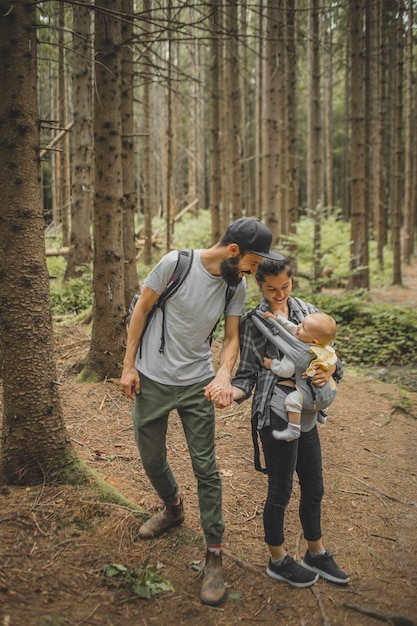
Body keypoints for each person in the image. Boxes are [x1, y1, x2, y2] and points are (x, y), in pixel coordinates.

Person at [120, 217, 280, 607]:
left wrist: (224, 373)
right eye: (253, 262)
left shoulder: (235, 284)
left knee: (205, 468)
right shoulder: (175, 264)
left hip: (197, 383)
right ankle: (173, 508)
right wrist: (127, 366)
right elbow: (141, 310)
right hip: (153, 378)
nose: (255, 271)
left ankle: (214, 553)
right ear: (233, 251)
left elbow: (231, 337)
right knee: (152, 458)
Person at [214, 255, 350, 588]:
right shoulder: (253, 322)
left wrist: (331, 370)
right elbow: (245, 375)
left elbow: (333, 360)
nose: (279, 294)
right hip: (273, 417)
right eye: (271, 288)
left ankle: (315, 552)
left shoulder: (308, 312)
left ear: (293, 281)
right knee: (280, 491)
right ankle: (278, 558)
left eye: (285, 286)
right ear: (259, 284)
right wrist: (232, 392)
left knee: (314, 486)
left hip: (306, 416)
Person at [261, 310, 338, 441]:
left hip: (308, 395)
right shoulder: (324, 348)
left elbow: (285, 370)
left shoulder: (299, 353)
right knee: (324, 388)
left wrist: (271, 364)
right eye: (301, 323)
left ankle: (293, 429)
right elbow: (292, 328)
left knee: (292, 400)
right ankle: (322, 412)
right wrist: (278, 319)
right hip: (330, 393)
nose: (298, 326)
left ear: (314, 340)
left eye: (303, 327)